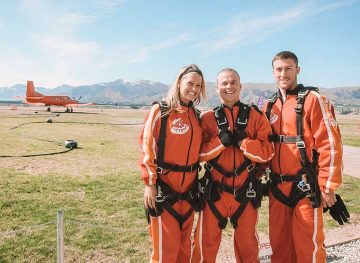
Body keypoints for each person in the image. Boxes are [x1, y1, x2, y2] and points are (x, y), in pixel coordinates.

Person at [263, 51, 344, 262]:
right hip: (277, 188)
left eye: (288, 68)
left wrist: (327, 187)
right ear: (273, 73)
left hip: (306, 187)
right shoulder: (269, 105)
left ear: (297, 70)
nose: (283, 73)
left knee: (308, 247)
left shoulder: (314, 100)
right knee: (279, 246)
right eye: (279, 69)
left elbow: (331, 144)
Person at [191, 68, 274, 262]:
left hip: (246, 192)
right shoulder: (207, 119)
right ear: (217, 88)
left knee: (248, 246)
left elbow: (268, 152)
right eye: (224, 83)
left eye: (233, 82)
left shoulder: (256, 116)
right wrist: (220, 142)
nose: (229, 87)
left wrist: (243, 143)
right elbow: (197, 154)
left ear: (240, 86)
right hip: (214, 193)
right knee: (203, 245)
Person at [139, 64, 206, 262]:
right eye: (190, 83)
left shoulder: (196, 115)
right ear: (178, 82)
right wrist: (150, 185)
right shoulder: (160, 111)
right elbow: (147, 148)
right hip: (164, 192)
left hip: (188, 194)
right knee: (164, 253)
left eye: (198, 85)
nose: (194, 89)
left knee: (184, 250)